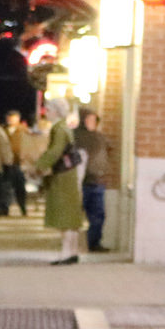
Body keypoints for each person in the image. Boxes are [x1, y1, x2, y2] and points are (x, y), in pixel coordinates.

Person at [35, 97, 86, 264]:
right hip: (69, 174)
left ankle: (66, 253)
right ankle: (72, 251)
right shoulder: (65, 128)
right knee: (70, 216)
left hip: (62, 176)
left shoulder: (59, 129)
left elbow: (55, 151)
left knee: (64, 216)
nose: (46, 113)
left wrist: (39, 166)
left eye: (48, 110)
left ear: (56, 111)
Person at [71, 108, 111, 252]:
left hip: (97, 181)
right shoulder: (75, 136)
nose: (91, 123)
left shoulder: (99, 137)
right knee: (77, 215)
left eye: (94, 120)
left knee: (98, 215)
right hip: (81, 182)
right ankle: (76, 244)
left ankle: (93, 242)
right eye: (89, 120)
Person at [1, 109, 31, 216]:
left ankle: (23, 208)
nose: (10, 120)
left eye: (12, 118)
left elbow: (30, 145)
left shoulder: (24, 130)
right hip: (5, 163)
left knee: (20, 188)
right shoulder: (2, 130)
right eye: (8, 118)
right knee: (5, 188)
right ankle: (5, 209)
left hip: (19, 163)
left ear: (17, 119)